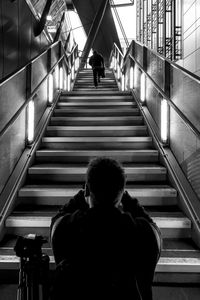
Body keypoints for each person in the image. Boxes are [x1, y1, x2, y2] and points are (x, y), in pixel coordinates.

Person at [49, 157, 162, 300]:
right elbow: (155, 231)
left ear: (88, 189)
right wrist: (128, 200)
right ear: (121, 191)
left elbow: (56, 223)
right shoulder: (139, 232)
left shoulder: (69, 227)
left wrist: (81, 195)